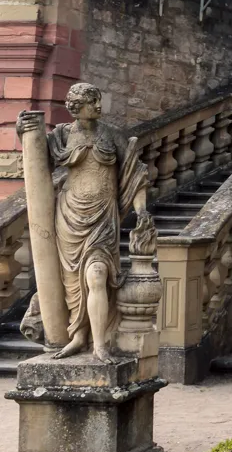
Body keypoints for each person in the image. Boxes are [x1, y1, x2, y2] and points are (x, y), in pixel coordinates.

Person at [16, 83, 149, 362]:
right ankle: (78, 336)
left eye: (98, 100)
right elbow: (38, 161)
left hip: (102, 217)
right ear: (77, 107)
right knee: (73, 286)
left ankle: (100, 345)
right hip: (69, 217)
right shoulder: (62, 134)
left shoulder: (113, 135)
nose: (98, 106)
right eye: (92, 102)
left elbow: (135, 174)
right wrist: (22, 130)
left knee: (97, 275)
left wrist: (142, 211)